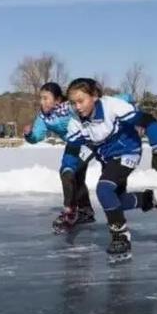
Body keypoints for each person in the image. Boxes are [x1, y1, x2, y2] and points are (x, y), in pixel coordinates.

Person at [63, 78, 157, 260]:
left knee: (104, 189)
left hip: (128, 151)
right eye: (73, 103)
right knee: (117, 200)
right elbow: (72, 150)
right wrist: (68, 170)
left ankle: (120, 236)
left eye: (81, 101)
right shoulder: (76, 123)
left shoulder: (113, 107)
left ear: (94, 96)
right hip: (108, 160)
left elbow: (148, 120)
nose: (77, 107)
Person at [24, 82, 95, 233]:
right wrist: (29, 134)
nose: (42, 102)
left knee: (74, 172)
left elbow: (95, 102)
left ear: (57, 100)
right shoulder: (44, 117)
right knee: (69, 173)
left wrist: (126, 100)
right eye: (40, 98)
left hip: (89, 142)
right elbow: (38, 135)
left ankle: (73, 211)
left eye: (45, 98)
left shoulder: (70, 107)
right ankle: (82, 210)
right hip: (73, 145)